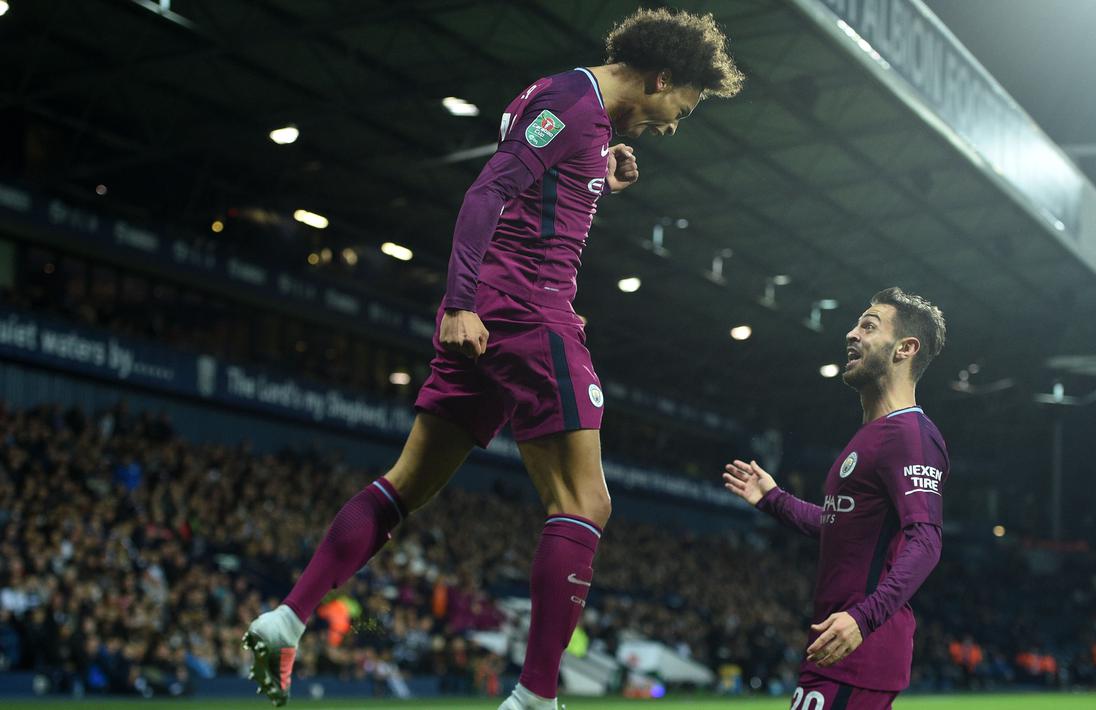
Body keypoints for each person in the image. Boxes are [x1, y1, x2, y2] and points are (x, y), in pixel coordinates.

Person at [242, 8, 743, 708]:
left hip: (500, 312)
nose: (670, 124)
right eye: (680, 108)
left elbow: (540, 195)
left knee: (406, 486)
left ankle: (288, 615)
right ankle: (536, 698)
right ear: (661, 77)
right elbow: (488, 192)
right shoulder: (572, 104)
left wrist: (602, 174)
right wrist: (457, 303)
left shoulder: (570, 107)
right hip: (522, 310)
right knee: (584, 501)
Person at [723, 288, 949, 710]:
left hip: (859, 653)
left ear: (906, 348)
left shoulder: (910, 436)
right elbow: (838, 523)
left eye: (868, 326)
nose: (851, 334)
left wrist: (863, 619)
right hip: (837, 652)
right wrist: (772, 498)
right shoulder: (870, 437)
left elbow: (926, 541)